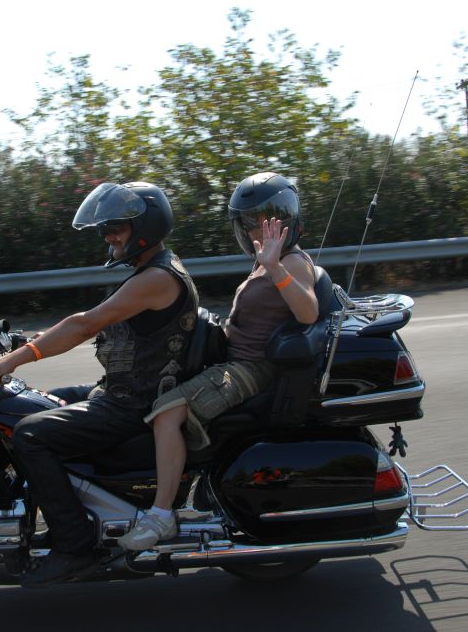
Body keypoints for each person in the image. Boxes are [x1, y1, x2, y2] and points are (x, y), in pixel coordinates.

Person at [0, 181, 198, 587]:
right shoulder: (152, 269)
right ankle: (61, 515)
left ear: (145, 228)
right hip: (123, 388)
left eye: (116, 228)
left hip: (136, 402)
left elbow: (85, 324)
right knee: (31, 402)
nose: (108, 237)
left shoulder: (157, 277)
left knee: (29, 435)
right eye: (105, 229)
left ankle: (74, 546)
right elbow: (98, 320)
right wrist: (31, 341)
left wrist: (11, 361)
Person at [117, 172, 319, 551]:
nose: (257, 231)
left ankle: (161, 515)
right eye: (250, 223)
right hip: (234, 360)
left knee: (166, 413)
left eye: (267, 222)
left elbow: (308, 311)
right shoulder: (267, 261)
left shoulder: (292, 263)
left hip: (252, 370)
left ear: (288, 223)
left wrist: (276, 267)